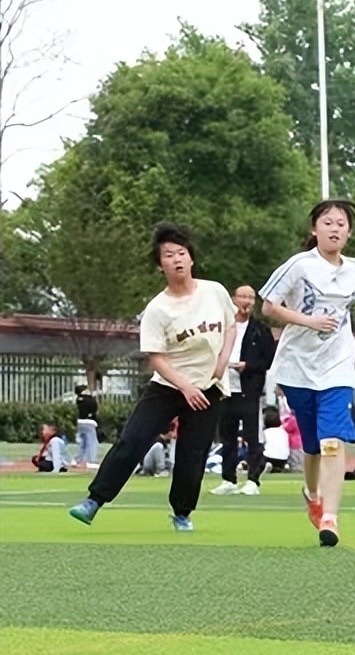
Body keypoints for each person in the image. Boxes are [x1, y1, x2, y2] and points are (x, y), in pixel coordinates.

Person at [68, 223, 236, 531]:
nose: (177, 259)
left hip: (208, 388)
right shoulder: (158, 309)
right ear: (161, 265)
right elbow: (156, 357)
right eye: (169, 255)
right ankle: (93, 502)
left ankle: (182, 514)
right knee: (133, 441)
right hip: (169, 385)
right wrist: (184, 385)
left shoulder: (215, 292)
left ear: (192, 258)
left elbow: (230, 327)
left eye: (182, 253)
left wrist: (222, 363)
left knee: (192, 453)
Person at [261, 199, 355, 548]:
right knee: (313, 445)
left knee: (332, 441)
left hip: (337, 365)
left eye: (341, 223)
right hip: (298, 365)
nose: (334, 228)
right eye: (327, 222)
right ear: (314, 229)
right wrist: (309, 321)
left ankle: (330, 516)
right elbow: (268, 305)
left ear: (349, 232)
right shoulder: (299, 266)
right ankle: (312, 494)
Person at [211, 285, 276, 497]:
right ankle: (228, 478)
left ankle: (253, 479)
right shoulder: (221, 327)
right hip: (225, 388)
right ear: (233, 299)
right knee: (227, 436)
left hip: (249, 390)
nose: (246, 301)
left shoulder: (260, 330)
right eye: (242, 296)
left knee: (252, 436)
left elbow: (268, 360)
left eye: (250, 297)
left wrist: (247, 365)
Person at [74, 385, 99, 468]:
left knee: (83, 443)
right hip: (89, 422)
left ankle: (77, 460)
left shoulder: (78, 399)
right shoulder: (89, 400)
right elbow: (95, 407)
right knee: (92, 442)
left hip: (80, 422)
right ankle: (91, 461)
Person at [260, 407, 291, 473]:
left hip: (268, 457)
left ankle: (266, 466)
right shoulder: (284, 432)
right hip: (283, 458)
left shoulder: (265, 432)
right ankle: (281, 467)